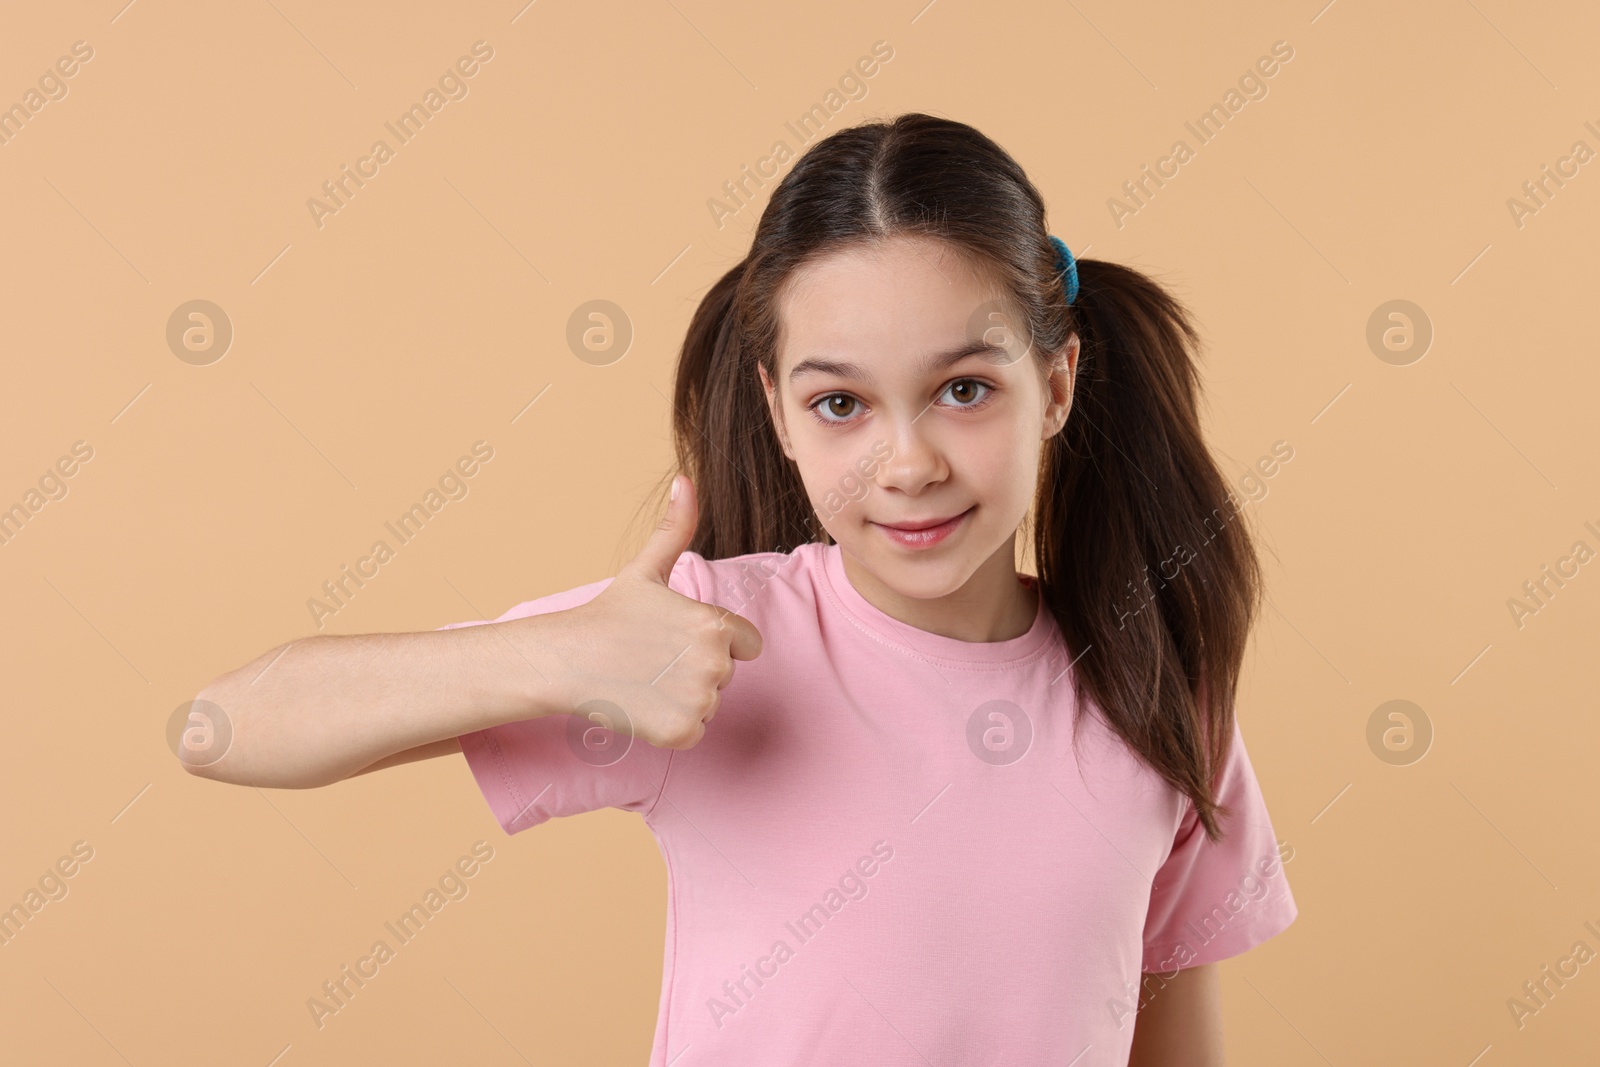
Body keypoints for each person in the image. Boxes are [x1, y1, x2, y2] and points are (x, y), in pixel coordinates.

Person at [183, 112, 1297, 1066]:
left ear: (1053, 382)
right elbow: (224, 725)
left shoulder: (1155, 681)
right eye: (840, 404)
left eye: (963, 387)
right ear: (775, 409)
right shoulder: (708, 637)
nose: (905, 463)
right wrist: (559, 655)